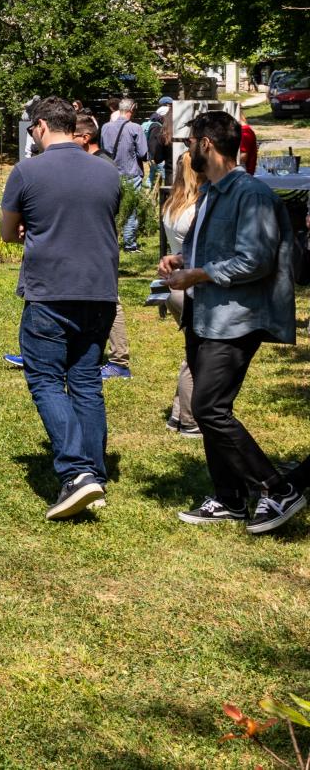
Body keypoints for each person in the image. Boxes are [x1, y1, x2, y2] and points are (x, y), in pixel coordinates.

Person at [160, 111, 303, 533]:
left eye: (189, 143)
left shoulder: (250, 194)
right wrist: (183, 261)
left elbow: (255, 260)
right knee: (208, 411)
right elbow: (221, 250)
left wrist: (198, 274)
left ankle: (277, 488)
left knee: (208, 406)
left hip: (237, 318)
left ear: (206, 144)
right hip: (205, 314)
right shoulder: (212, 194)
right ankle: (230, 499)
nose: (187, 151)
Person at [0, 96, 123, 520]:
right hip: (100, 291)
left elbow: (6, 232)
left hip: (50, 291)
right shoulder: (108, 171)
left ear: (39, 126)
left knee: (47, 380)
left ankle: (75, 472)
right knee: (86, 381)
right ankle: (96, 472)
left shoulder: (27, 171)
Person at [72, 113, 133, 381]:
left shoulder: (102, 166)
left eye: (69, 135)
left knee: (110, 300)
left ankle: (119, 361)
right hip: (88, 244)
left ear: (85, 138)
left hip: (98, 245)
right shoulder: (92, 162)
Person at [160, 155, 203, 437]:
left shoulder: (170, 206)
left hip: (174, 288)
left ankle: (178, 415)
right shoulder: (196, 208)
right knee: (197, 358)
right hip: (191, 287)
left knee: (193, 353)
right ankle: (189, 419)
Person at [100, 98, 149, 252]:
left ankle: (110, 243)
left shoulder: (105, 127)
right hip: (131, 173)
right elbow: (143, 153)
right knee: (130, 210)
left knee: (110, 210)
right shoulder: (135, 128)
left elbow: (103, 149)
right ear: (132, 109)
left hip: (109, 173)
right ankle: (130, 245)